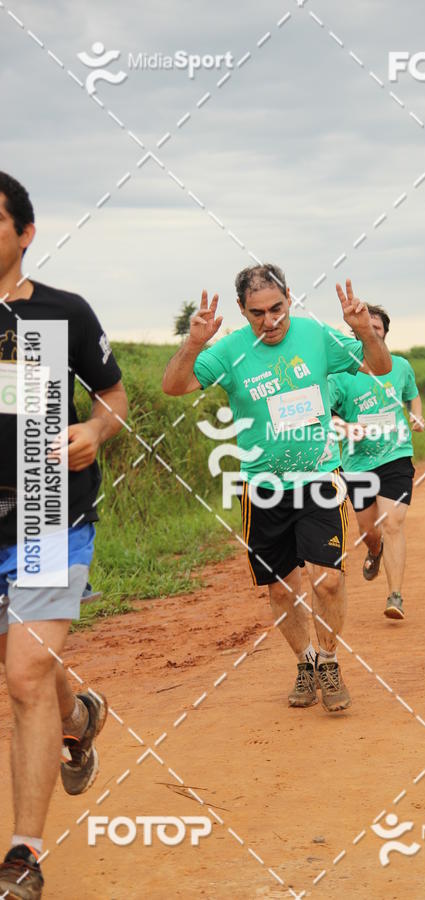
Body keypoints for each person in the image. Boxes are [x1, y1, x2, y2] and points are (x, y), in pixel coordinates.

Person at [163, 264, 392, 713]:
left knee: (325, 582)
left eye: (277, 309)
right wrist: (194, 342)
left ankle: (328, 661)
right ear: (241, 311)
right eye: (257, 313)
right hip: (263, 488)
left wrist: (366, 332)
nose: (270, 322)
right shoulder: (229, 351)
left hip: (319, 478)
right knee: (282, 590)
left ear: (290, 297)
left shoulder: (316, 335)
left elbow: (380, 367)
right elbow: (175, 386)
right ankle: (305, 663)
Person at [0, 173, 127, 900]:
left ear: (25, 233)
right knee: (34, 675)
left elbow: (113, 392)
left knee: (21, 677)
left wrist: (95, 429)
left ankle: (23, 854)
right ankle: (81, 715)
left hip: (48, 509)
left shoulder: (59, 314)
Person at [328, 304, 424, 620]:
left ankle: (395, 595)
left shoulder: (400, 366)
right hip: (356, 463)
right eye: (364, 330)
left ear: (383, 334)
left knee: (393, 522)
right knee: (369, 529)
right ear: (355, 335)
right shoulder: (340, 376)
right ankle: (374, 550)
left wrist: (418, 415)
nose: (371, 333)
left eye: (377, 329)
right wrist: (347, 427)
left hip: (396, 455)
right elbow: (326, 416)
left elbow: (412, 394)